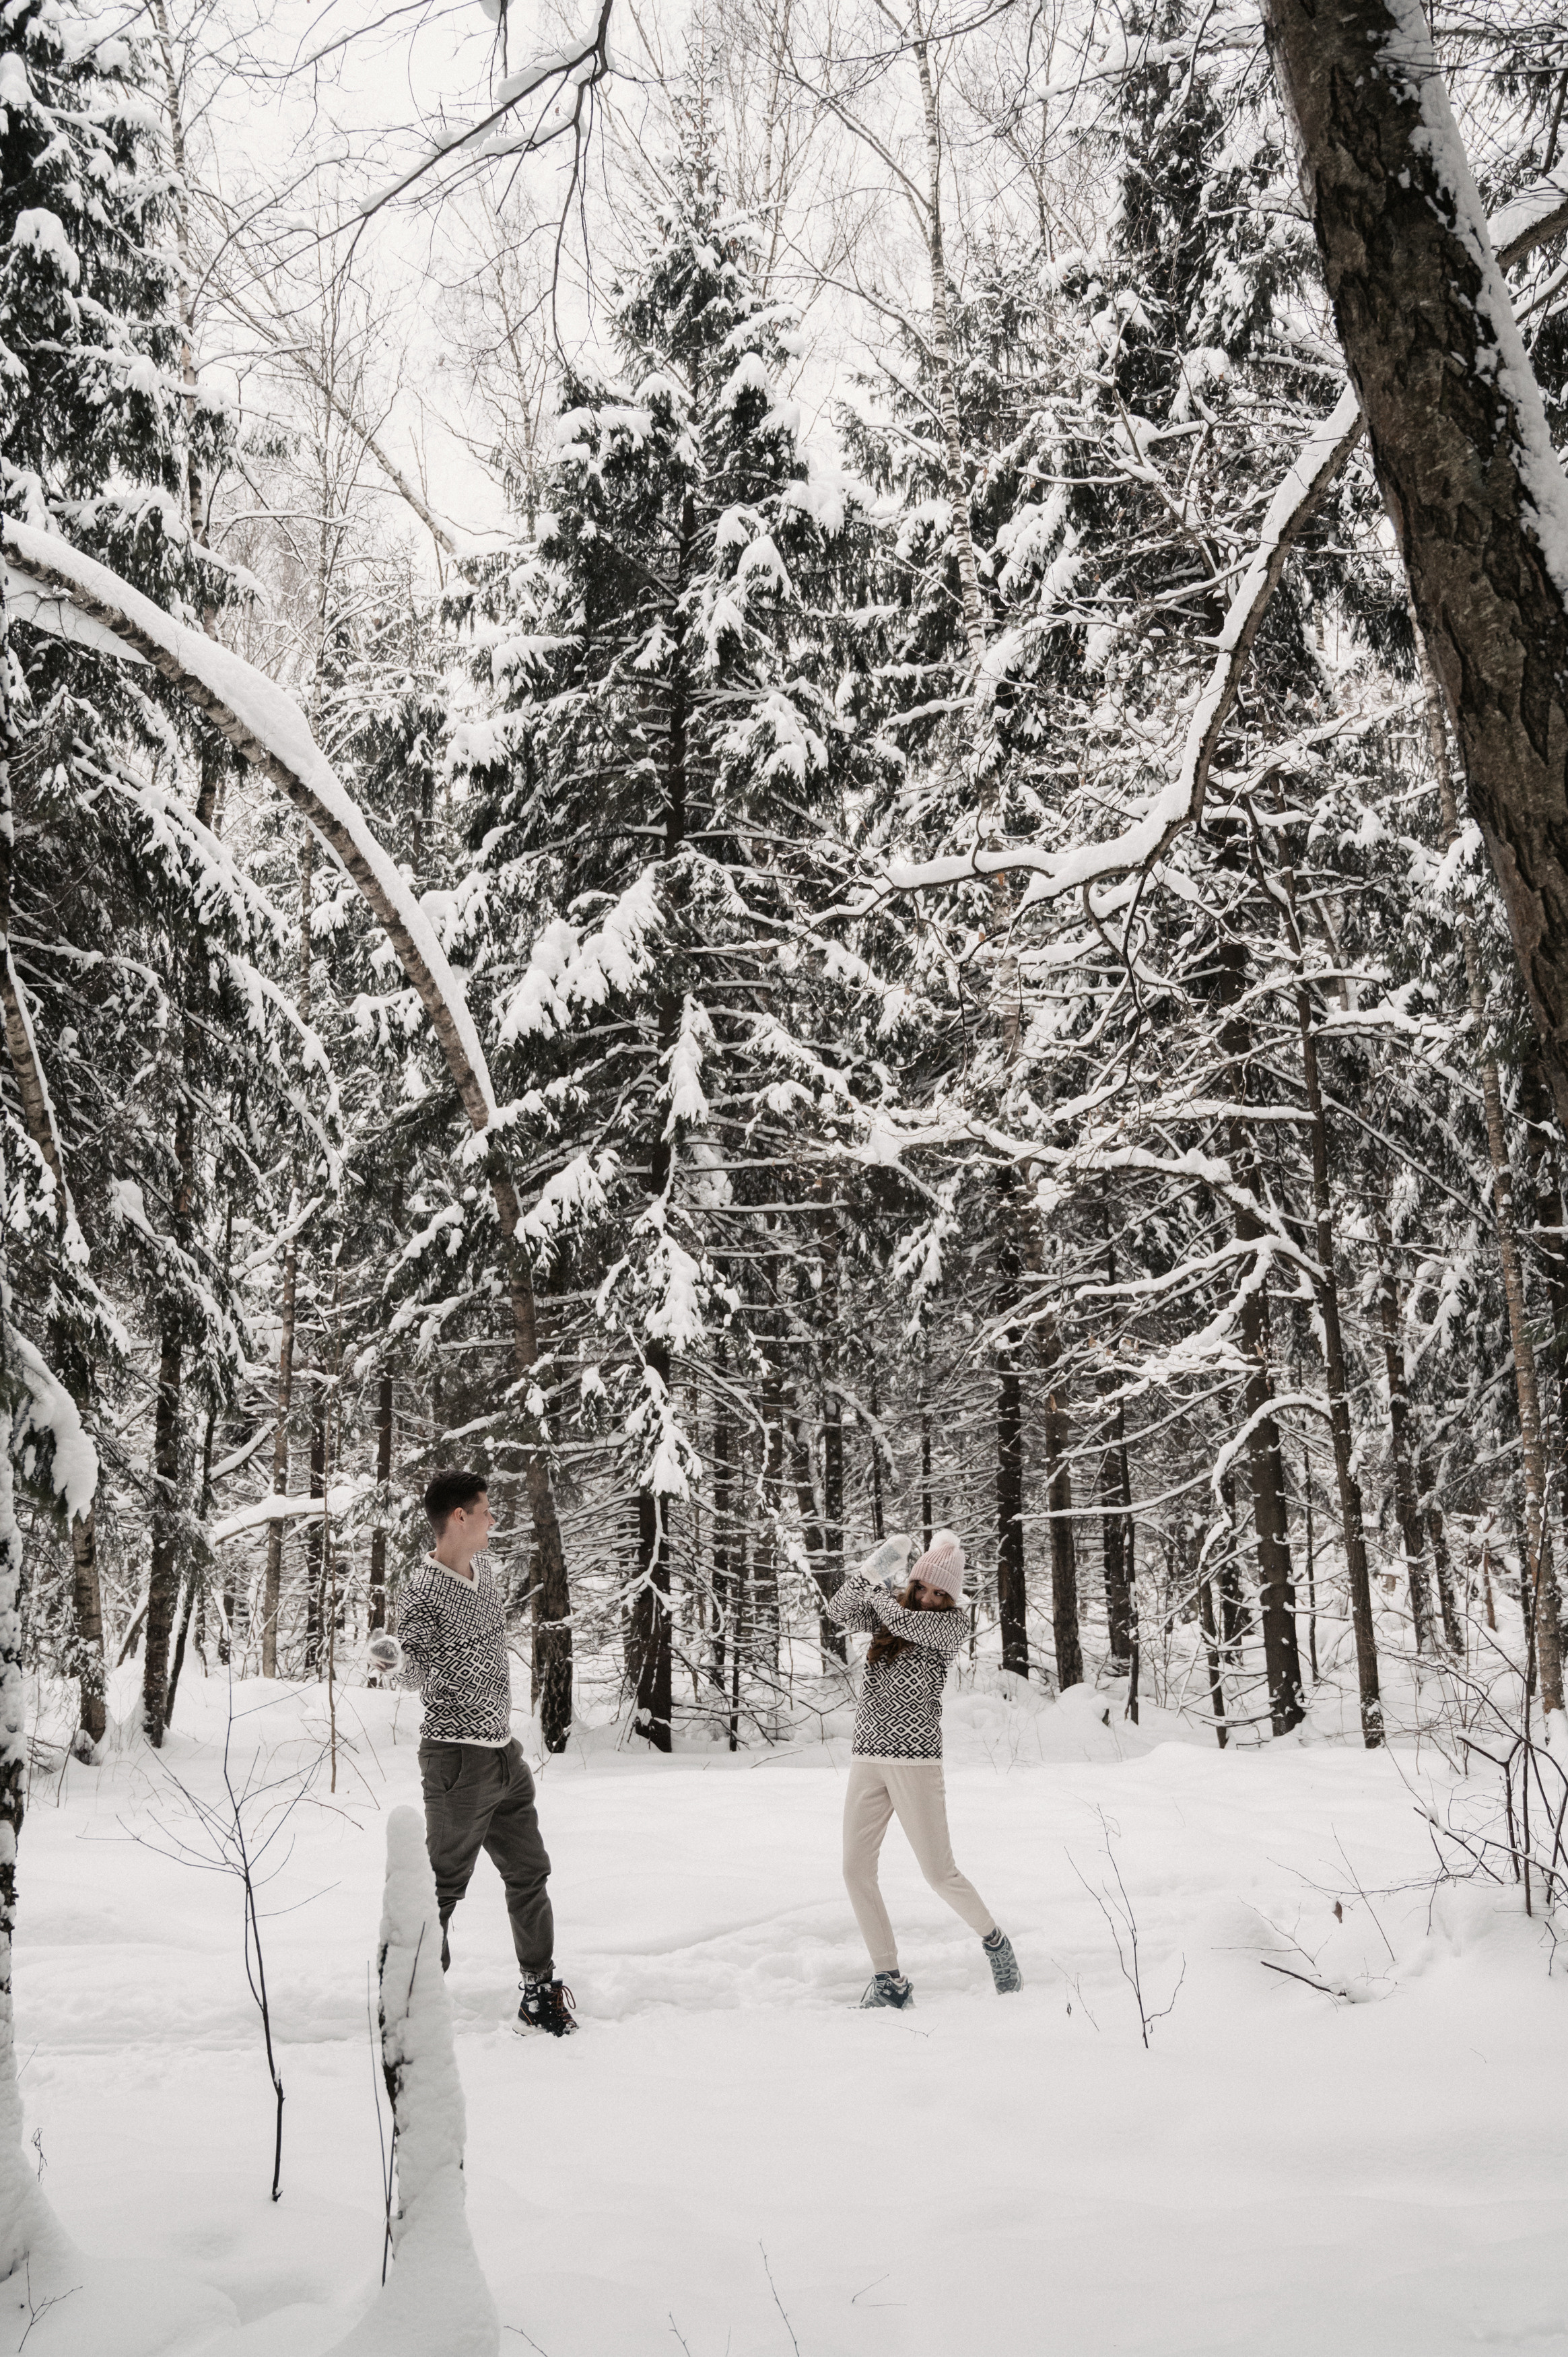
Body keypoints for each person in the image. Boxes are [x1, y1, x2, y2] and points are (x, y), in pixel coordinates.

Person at [366, 1469, 577, 2038]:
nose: (492, 1518)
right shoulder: (423, 1592)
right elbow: (411, 1666)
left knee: (530, 1873)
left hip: (503, 1756)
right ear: (458, 1517)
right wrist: (390, 1657)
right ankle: (408, 2004)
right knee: (441, 1887)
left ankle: (539, 1996)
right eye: (485, 1509)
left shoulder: (483, 1571)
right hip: (456, 1760)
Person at [827, 1529, 1022, 2010]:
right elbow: (836, 1612)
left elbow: (898, 1617)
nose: (931, 1599)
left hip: (915, 1761)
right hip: (868, 1755)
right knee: (855, 1870)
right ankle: (888, 1979)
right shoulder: (889, 1614)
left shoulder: (947, 1627)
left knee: (938, 1873)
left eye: (941, 1593)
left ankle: (995, 1941)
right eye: (924, 1588)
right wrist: (871, 1571)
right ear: (912, 1584)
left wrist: (878, 1588)